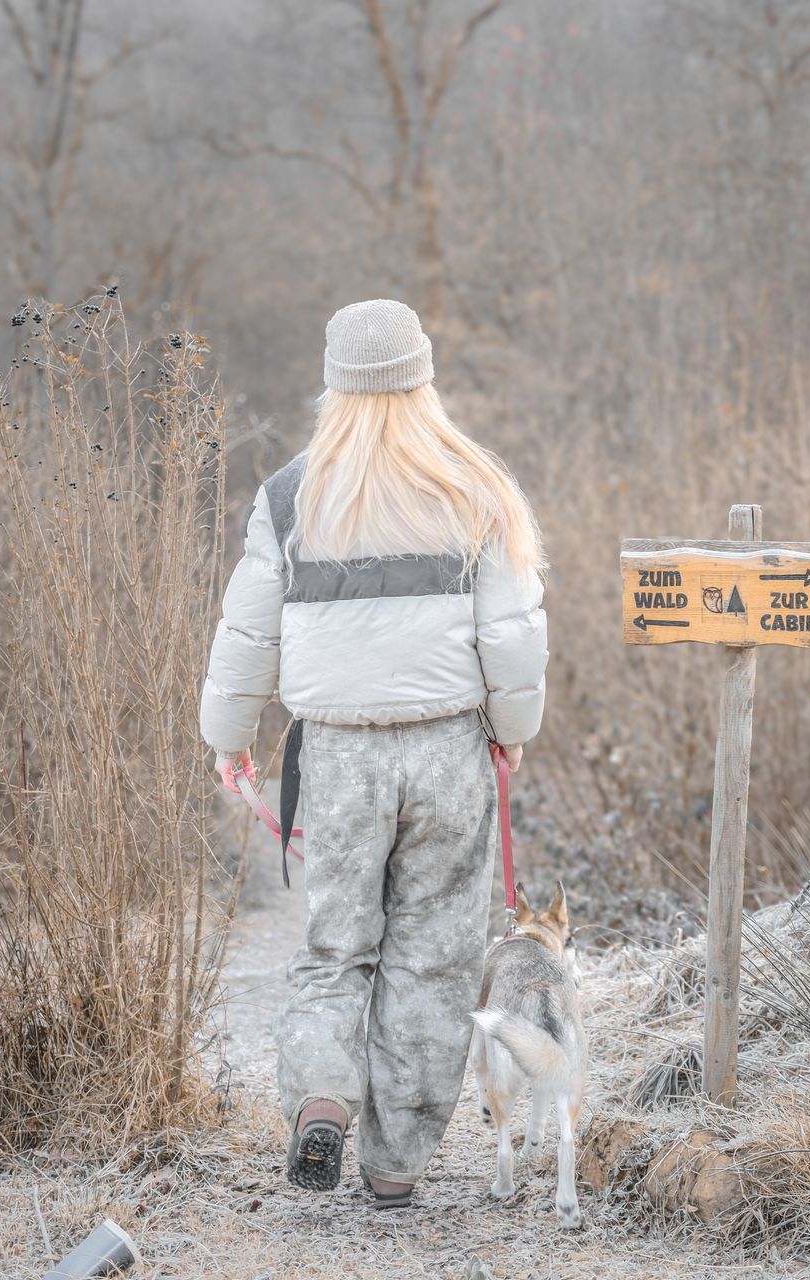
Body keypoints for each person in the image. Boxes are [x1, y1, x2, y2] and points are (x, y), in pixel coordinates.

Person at [198, 298, 548, 1208]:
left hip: (339, 758)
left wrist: (229, 742)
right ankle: (395, 1168)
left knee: (334, 947)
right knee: (433, 958)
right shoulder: (476, 487)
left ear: (334, 385)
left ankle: (321, 1099)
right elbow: (512, 637)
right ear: (422, 377)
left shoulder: (290, 496)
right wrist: (513, 733)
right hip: (447, 753)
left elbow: (246, 636)